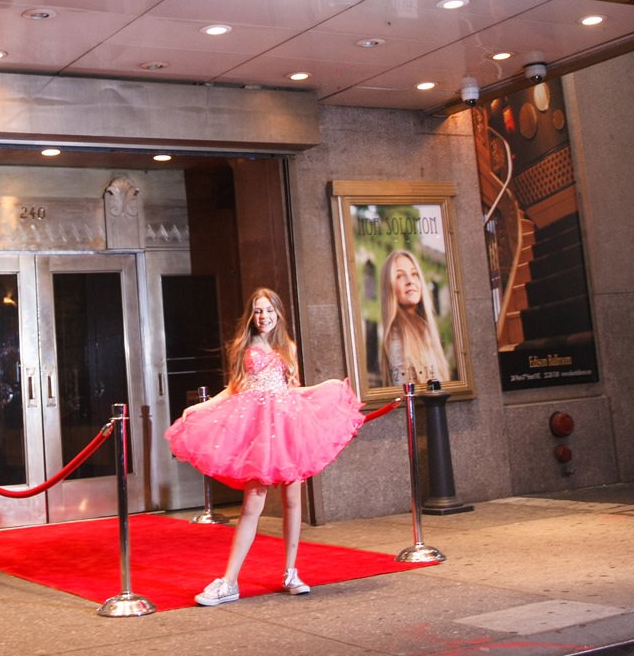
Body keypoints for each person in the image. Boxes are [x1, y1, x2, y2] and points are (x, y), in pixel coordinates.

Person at [165, 287, 365, 606]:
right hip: (260, 430)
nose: (263, 317)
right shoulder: (245, 347)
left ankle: (290, 572)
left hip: (289, 426)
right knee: (252, 504)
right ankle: (229, 580)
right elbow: (234, 389)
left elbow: (293, 390)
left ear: (278, 313)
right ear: (251, 315)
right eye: (258, 311)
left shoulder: (288, 347)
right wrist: (199, 408)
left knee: (292, 501)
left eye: (269, 311)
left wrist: (328, 391)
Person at [379, 249, 449, 388]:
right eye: (399, 276)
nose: (410, 281)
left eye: (414, 274)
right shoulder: (396, 335)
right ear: (390, 287)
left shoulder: (426, 329)